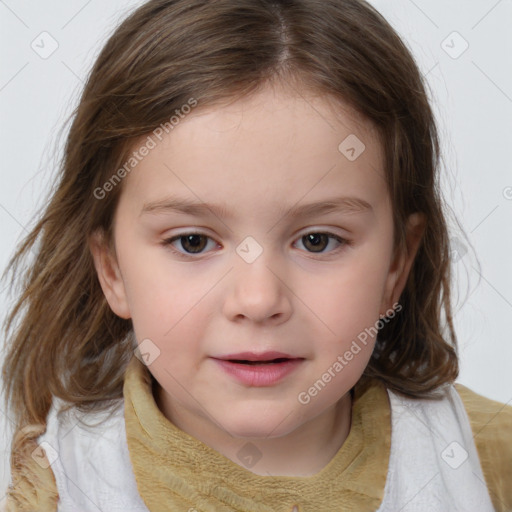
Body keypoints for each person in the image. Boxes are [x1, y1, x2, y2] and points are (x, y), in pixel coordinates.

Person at [2, 0, 511, 511]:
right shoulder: (57, 489)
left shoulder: (489, 461)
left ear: (396, 266)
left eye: (317, 240)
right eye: (193, 242)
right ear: (111, 269)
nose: (259, 299)